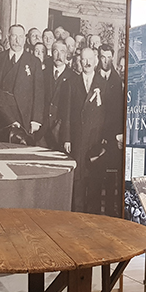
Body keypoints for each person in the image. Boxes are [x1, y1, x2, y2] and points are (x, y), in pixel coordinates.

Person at [63, 47, 107, 212]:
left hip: (95, 141)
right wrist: (66, 138)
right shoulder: (71, 83)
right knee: (78, 181)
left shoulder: (103, 84)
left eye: (90, 60)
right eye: (83, 60)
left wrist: (103, 142)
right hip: (78, 139)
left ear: (95, 61)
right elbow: (66, 112)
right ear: (79, 62)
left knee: (94, 182)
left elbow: (107, 116)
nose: (87, 63)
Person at [0, 24, 44, 144]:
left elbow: (39, 92)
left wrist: (36, 119)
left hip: (24, 116)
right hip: (0, 115)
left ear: (25, 39)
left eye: (20, 37)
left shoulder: (34, 62)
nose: (17, 40)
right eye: (14, 36)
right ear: (8, 38)